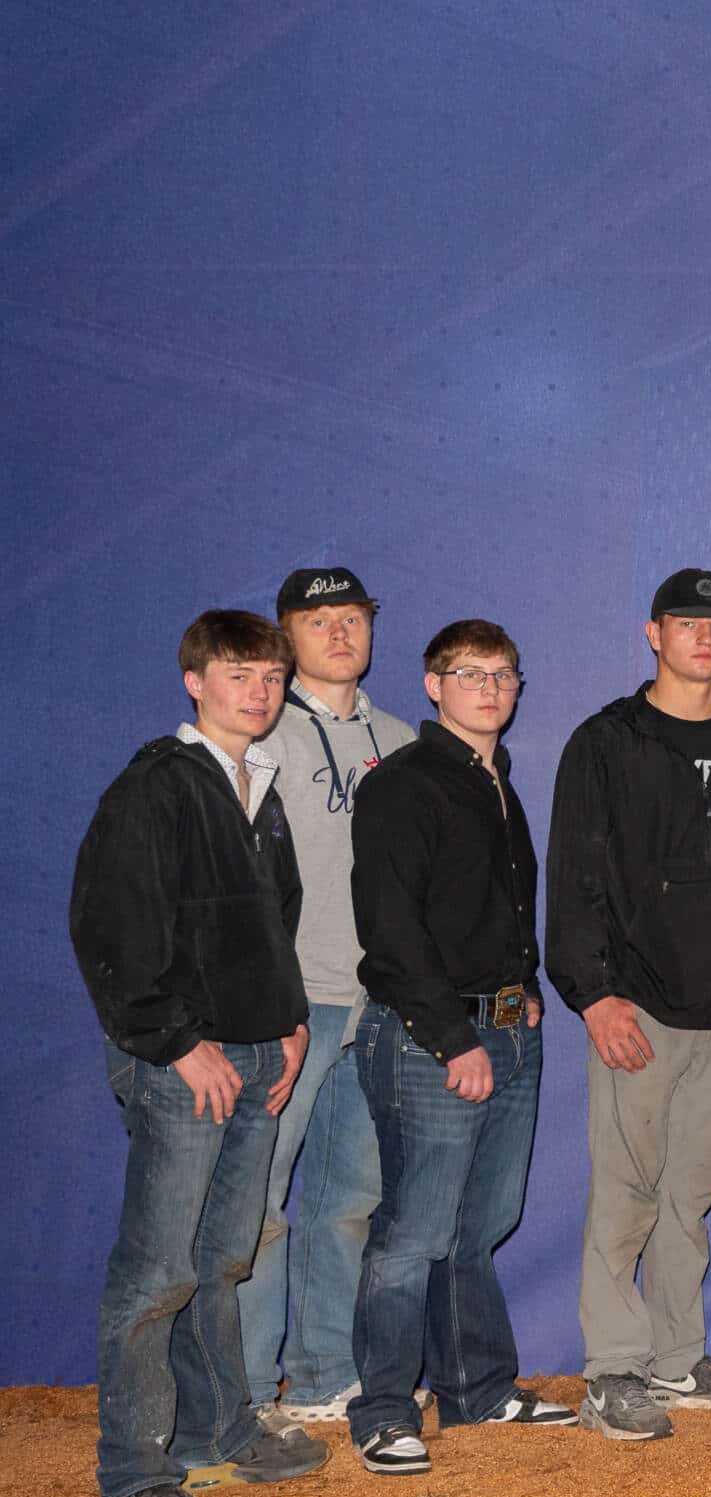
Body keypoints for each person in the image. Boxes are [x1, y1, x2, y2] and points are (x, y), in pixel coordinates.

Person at [71, 609, 327, 1497]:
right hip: (184, 1061)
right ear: (195, 680)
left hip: (255, 1051)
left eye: (271, 676)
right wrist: (178, 1043)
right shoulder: (157, 785)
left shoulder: (257, 782)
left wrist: (289, 1020)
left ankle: (217, 1433)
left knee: (221, 1257)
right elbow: (112, 925)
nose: (259, 692)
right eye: (238, 673)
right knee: (156, 1272)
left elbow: (273, 921)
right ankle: (136, 1477)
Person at [547, 570, 711, 1441]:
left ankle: (677, 1358)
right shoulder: (607, 741)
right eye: (688, 622)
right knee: (627, 1191)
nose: (705, 637)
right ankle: (613, 1367)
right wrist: (594, 995)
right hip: (637, 1005)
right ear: (655, 633)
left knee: (691, 1194)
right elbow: (574, 877)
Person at [348, 619, 576, 1476]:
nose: (490, 688)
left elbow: (495, 909)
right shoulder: (404, 783)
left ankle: (476, 1387)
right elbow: (392, 929)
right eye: (470, 673)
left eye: (503, 674)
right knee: (413, 1231)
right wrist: (454, 1038)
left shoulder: (495, 779)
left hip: (508, 1028)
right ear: (433, 683)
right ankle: (381, 1409)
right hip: (433, 1037)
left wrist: (523, 992)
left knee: (478, 1226)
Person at [240, 568, 416, 1427]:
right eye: (318, 620)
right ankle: (241, 1392)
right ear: (285, 634)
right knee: (258, 1203)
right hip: (291, 1000)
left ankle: (322, 1375)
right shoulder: (257, 729)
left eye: (353, 617)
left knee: (350, 1201)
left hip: (377, 999)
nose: (340, 633)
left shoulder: (402, 737)